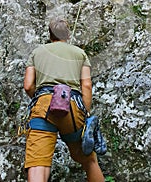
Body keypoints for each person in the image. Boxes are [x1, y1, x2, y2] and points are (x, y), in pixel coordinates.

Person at [24, 19, 105, 182]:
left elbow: (27, 85)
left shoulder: (37, 52)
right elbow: (87, 85)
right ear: (67, 34)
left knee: (38, 162)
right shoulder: (79, 53)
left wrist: (41, 100)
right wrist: (85, 113)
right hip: (73, 106)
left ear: (50, 34)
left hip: (43, 105)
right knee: (88, 160)